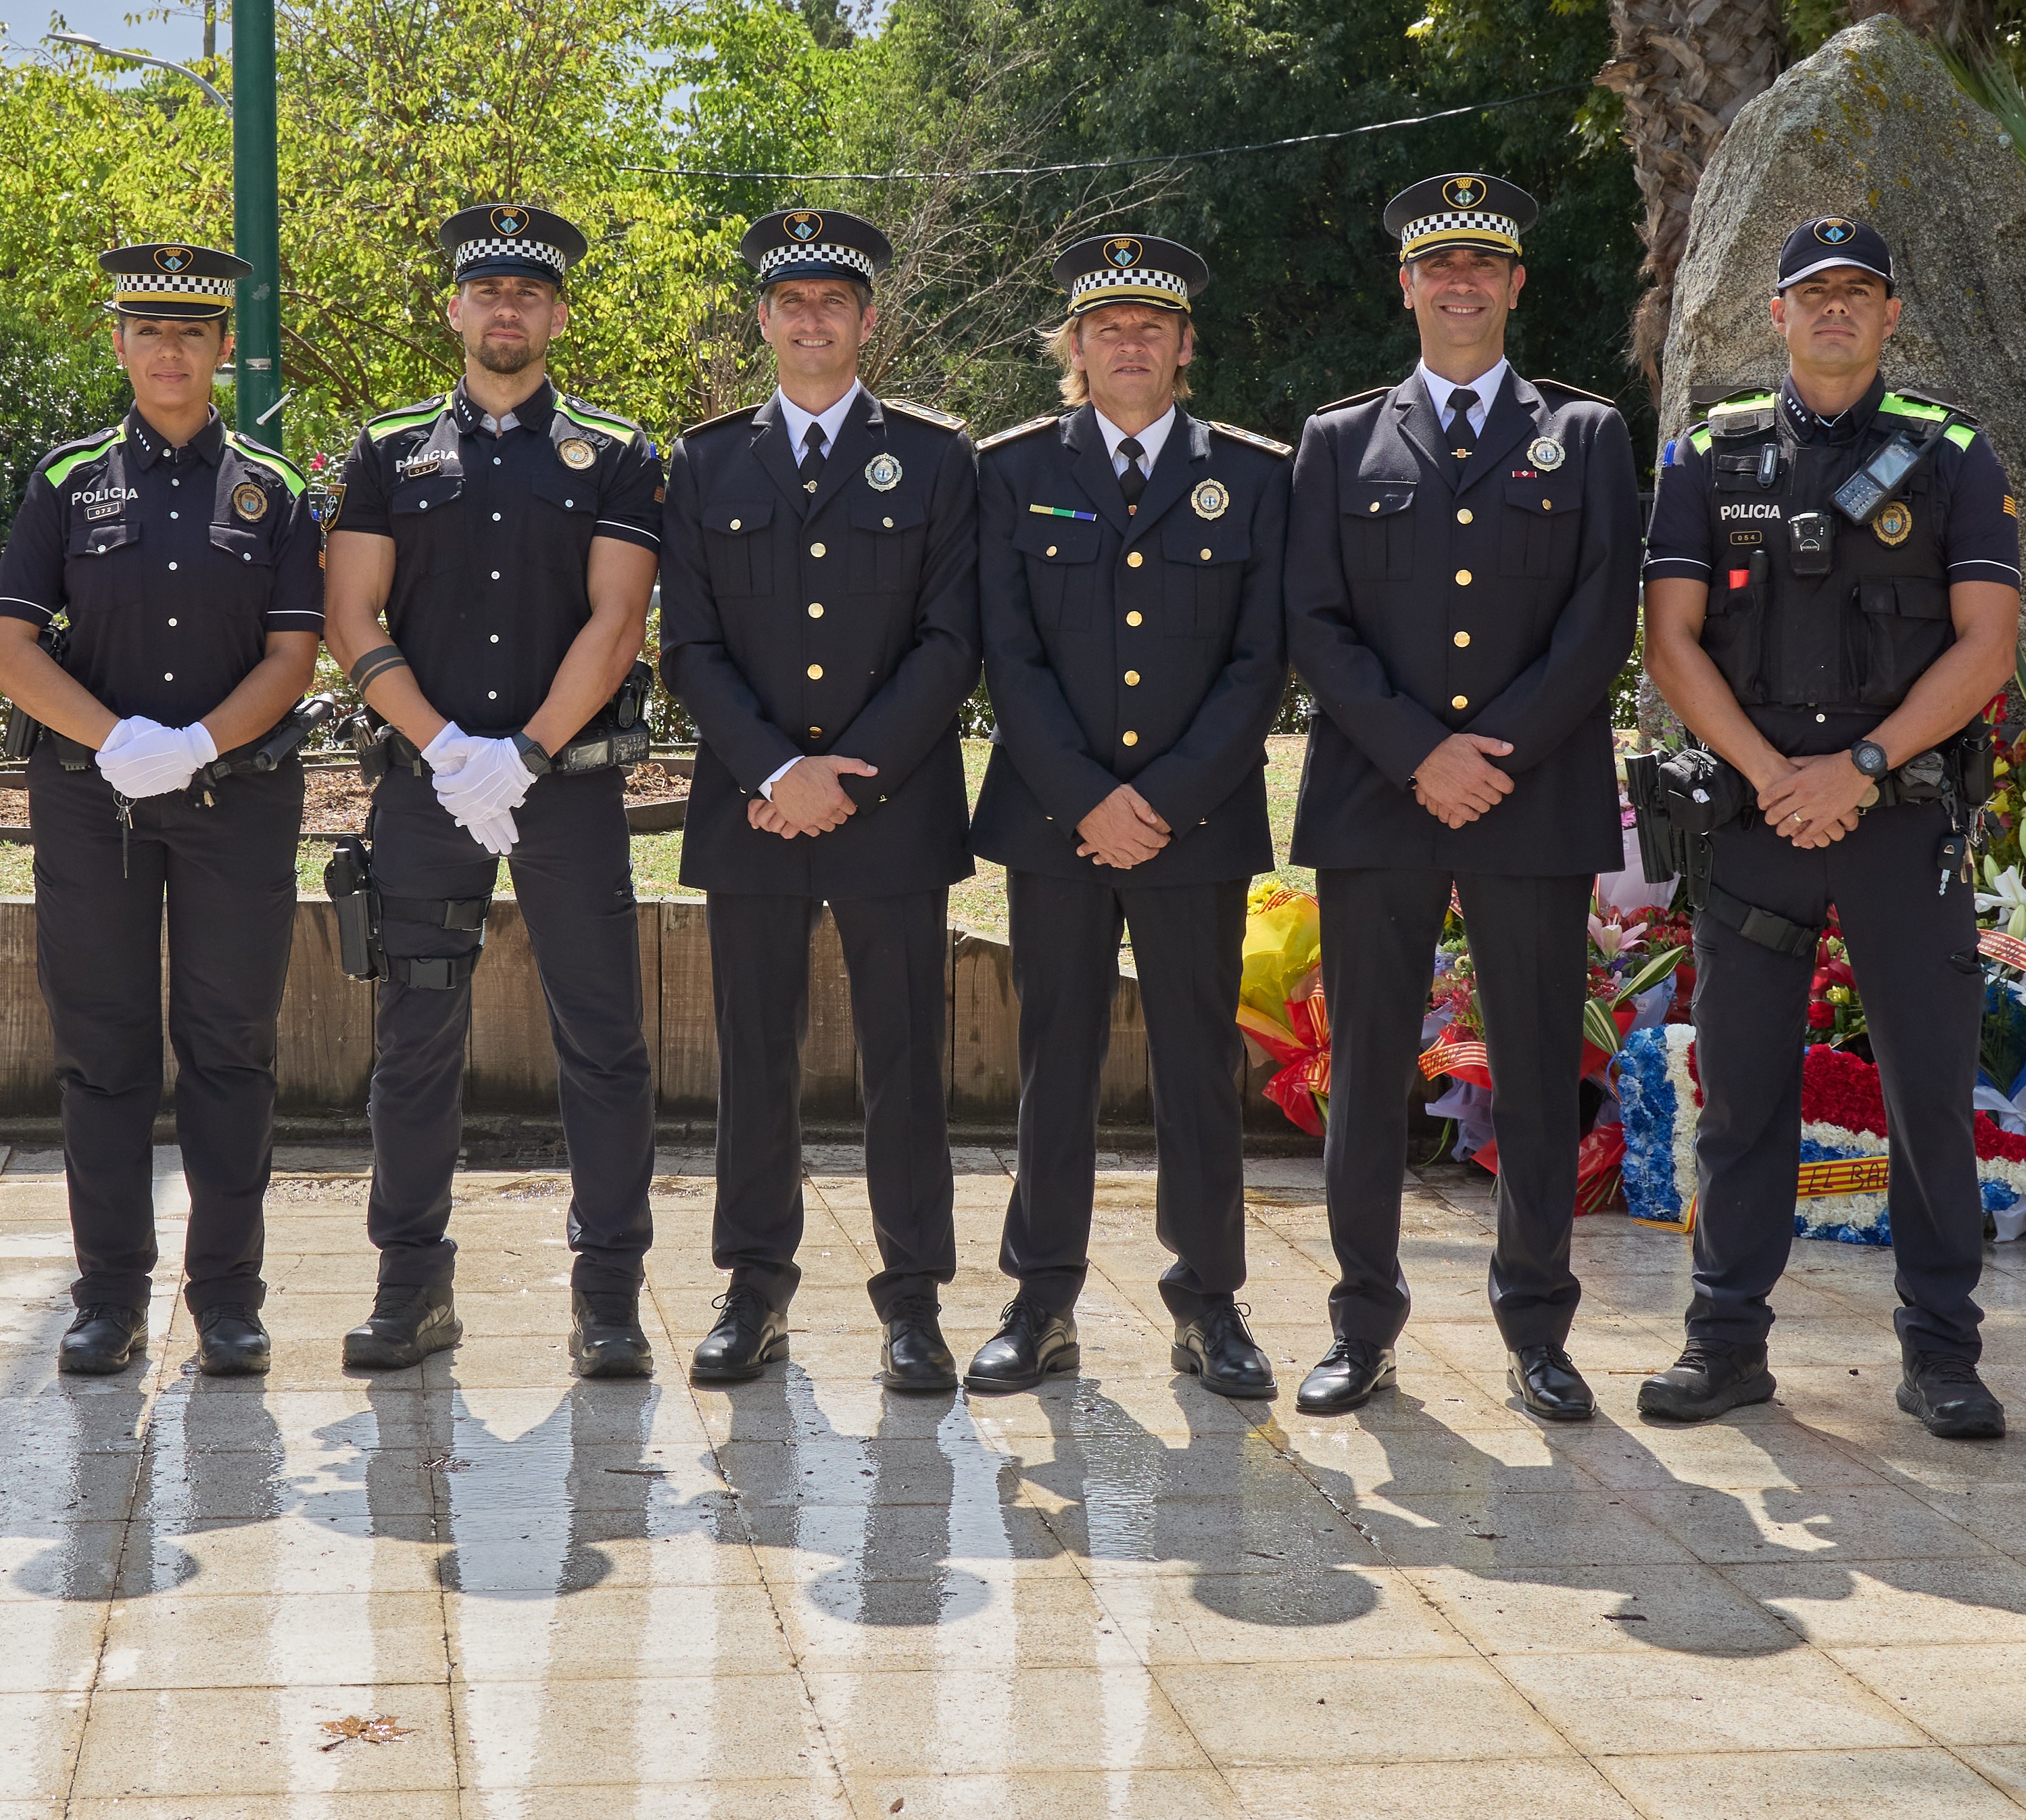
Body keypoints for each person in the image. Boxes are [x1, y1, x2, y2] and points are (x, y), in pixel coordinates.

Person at [1638, 214, 2020, 1440]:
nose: (1837, 310)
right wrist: (1769, 773)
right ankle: (1724, 1344)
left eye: (1860, 292)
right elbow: (1670, 643)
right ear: (1777, 316)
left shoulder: (1951, 456)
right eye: (1815, 294)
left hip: (1898, 817)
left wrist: (1856, 766)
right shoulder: (1709, 456)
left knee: (1925, 1094)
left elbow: (1985, 647)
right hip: (1755, 822)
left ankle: (1941, 1354)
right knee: (1742, 1094)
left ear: (1892, 315)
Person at [1282, 172, 1643, 1422]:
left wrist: (1490, 753)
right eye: (1438, 268)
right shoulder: (1337, 441)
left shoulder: (1586, 435)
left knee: (1539, 1068)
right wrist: (1414, 753)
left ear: (1514, 286)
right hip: (1380, 796)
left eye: (1483, 267)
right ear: (1406, 287)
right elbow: (1313, 622)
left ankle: (1537, 1329)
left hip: (1530, 795)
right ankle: (1360, 1325)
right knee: (1367, 1064)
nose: (1459, 285)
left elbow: (1602, 618)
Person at [322, 203, 666, 1379]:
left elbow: (617, 619)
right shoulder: (385, 453)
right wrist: (447, 748)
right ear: (455, 310)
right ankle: (410, 1284)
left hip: (563, 787)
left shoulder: (616, 454)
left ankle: (608, 1294)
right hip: (424, 793)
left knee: (604, 1040)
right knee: (414, 1037)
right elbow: (349, 616)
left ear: (557, 314)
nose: (506, 309)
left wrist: (517, 754)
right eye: (487, 292)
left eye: (529, 293)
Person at [0, 243, 325, 1381]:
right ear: (119, 345)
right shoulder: (68, 480)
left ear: (223, 349)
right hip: (93, 807)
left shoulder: (273, 489)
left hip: (238, 800)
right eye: (147, 332)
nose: (169, 352)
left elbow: (294, 654)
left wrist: (192, 743)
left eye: (192, 333)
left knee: (231, 1050)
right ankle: (110, 1299)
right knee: (103, 1052)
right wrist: (112, 740)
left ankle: (228, 1299)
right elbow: (7, 642)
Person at [657, 208, 981, 1392]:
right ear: (762, 320)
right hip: (751, 809)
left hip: (888, 810)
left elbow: (951, 643)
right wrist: (774, 773)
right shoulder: (701, 463)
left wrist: (846, 777)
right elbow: (686, 645)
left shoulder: (941, 458)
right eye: (789, 301)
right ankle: (752, 1291)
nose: (809, 319)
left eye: (832, 302)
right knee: (754, 1057)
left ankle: (912, 1303)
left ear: (866, 322)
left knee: (907, 1060)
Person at [965, 233, 1293, 1399]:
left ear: (1184, 346)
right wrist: (1087, 800)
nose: (1130, 344)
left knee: (1197, 1062)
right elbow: (1005, 654)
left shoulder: (1254, 476)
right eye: (1107, 328)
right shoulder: (1008, 472)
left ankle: (1209, 1304)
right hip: (1054, 825)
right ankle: (1039, 1301)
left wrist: (1157, 801)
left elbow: (1260, 664)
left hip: (1191, 826)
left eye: (1152, 327)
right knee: (1055, 1058)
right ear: (1076, 349)